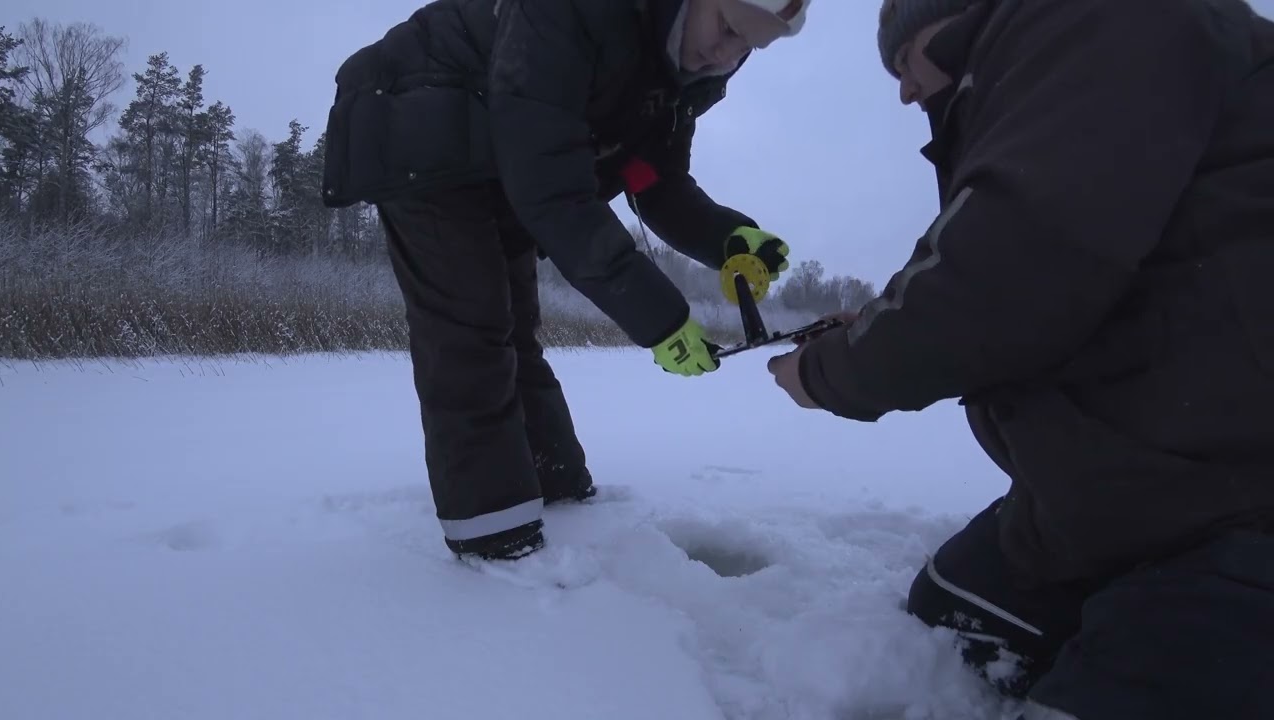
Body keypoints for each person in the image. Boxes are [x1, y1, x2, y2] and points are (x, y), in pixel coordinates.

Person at [767, 0, 1274, 717]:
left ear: (945, 20)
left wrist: (824, 374)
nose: (904, 91)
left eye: (902, 62)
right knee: (947, 607)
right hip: (1124, 490)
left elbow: (1007, 275)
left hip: (1232, 493)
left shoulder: (1115, 19)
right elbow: (1006, 263)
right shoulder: (1044, 80)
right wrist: (873, 330)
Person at [319, 0, 807, 562]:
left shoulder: (679, 75)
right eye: (726, 26)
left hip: (500, 157)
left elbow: (654, 181)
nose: (727, 53)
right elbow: (554, 188)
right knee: (470, 330)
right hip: (421, 121)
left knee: (514, 331)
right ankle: (495, 540)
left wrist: (726, 239)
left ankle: (558, 491)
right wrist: (657, 317)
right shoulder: (574, 12)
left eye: (748, 45)